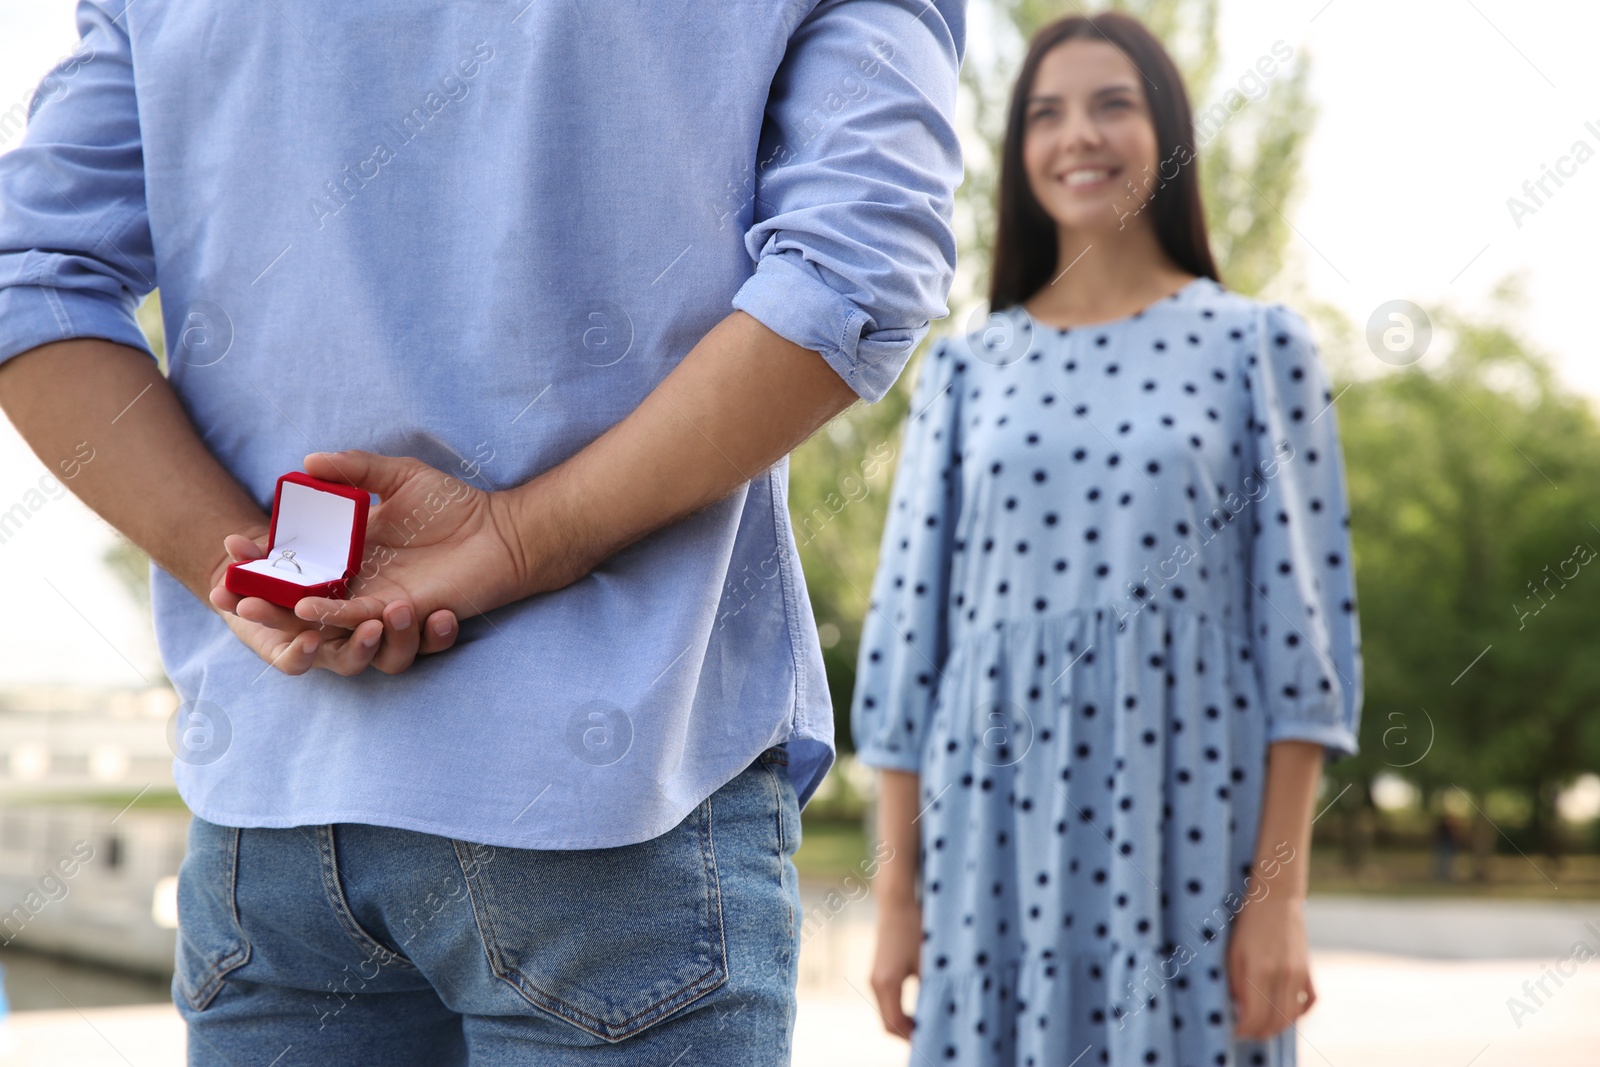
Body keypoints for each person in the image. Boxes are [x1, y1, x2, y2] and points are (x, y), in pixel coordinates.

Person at [0, 1, 966, 1063]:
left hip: (273, 819)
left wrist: (256, 571)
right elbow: (857, 267)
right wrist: (522, 538)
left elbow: (27, 275)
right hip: (615, 809)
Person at [852, 12, 1361, 1066]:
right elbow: (906, 650)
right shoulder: (965, 368)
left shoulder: (1257, 346)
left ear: (1167, 132)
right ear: (1018, 152)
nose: (1077, 134)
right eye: (1046, 114)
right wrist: (896, 897)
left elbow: (1302, 648)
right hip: (990, 841)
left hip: (1191, 823)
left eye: (1111, 105)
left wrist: (1278, 900)